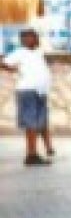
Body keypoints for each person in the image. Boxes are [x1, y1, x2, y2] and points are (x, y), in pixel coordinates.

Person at [1, 28, 54, 166]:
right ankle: (31, 154)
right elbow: (4, 62)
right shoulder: (20, 53)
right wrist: (11, 69)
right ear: (22, 40)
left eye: (33, 37)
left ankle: (46, 147)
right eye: (27, 37)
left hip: (40, 91)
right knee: (31, 123)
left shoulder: (39, 52)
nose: (31, 39)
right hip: (27, 90)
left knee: (41, 121)